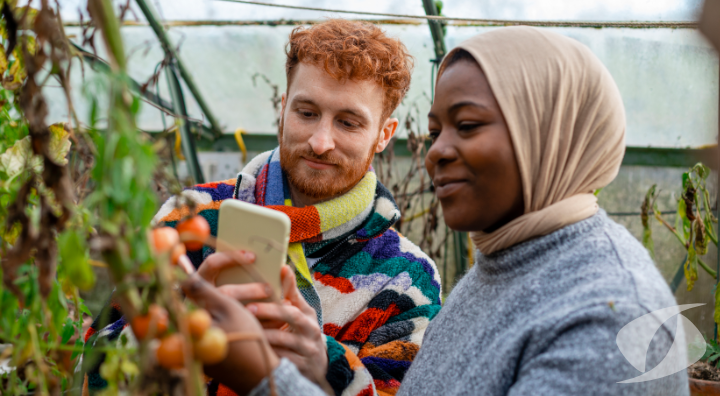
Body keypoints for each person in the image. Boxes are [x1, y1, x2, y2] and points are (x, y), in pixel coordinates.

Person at [179, 26, 689, 396]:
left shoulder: (609, 320)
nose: (438, 151)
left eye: (466, 125)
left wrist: (278, 377)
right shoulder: (501, 269)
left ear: (546, 133)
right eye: (438, 128)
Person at [81, 19, 442, 396]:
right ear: (283, 109)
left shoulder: (406, 279)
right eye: (306, 113)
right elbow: (96, 363)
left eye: (348, 123)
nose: (320, 142)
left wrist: (326, 365)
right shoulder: (192, 218)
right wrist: (179, 323)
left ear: (384, 134)